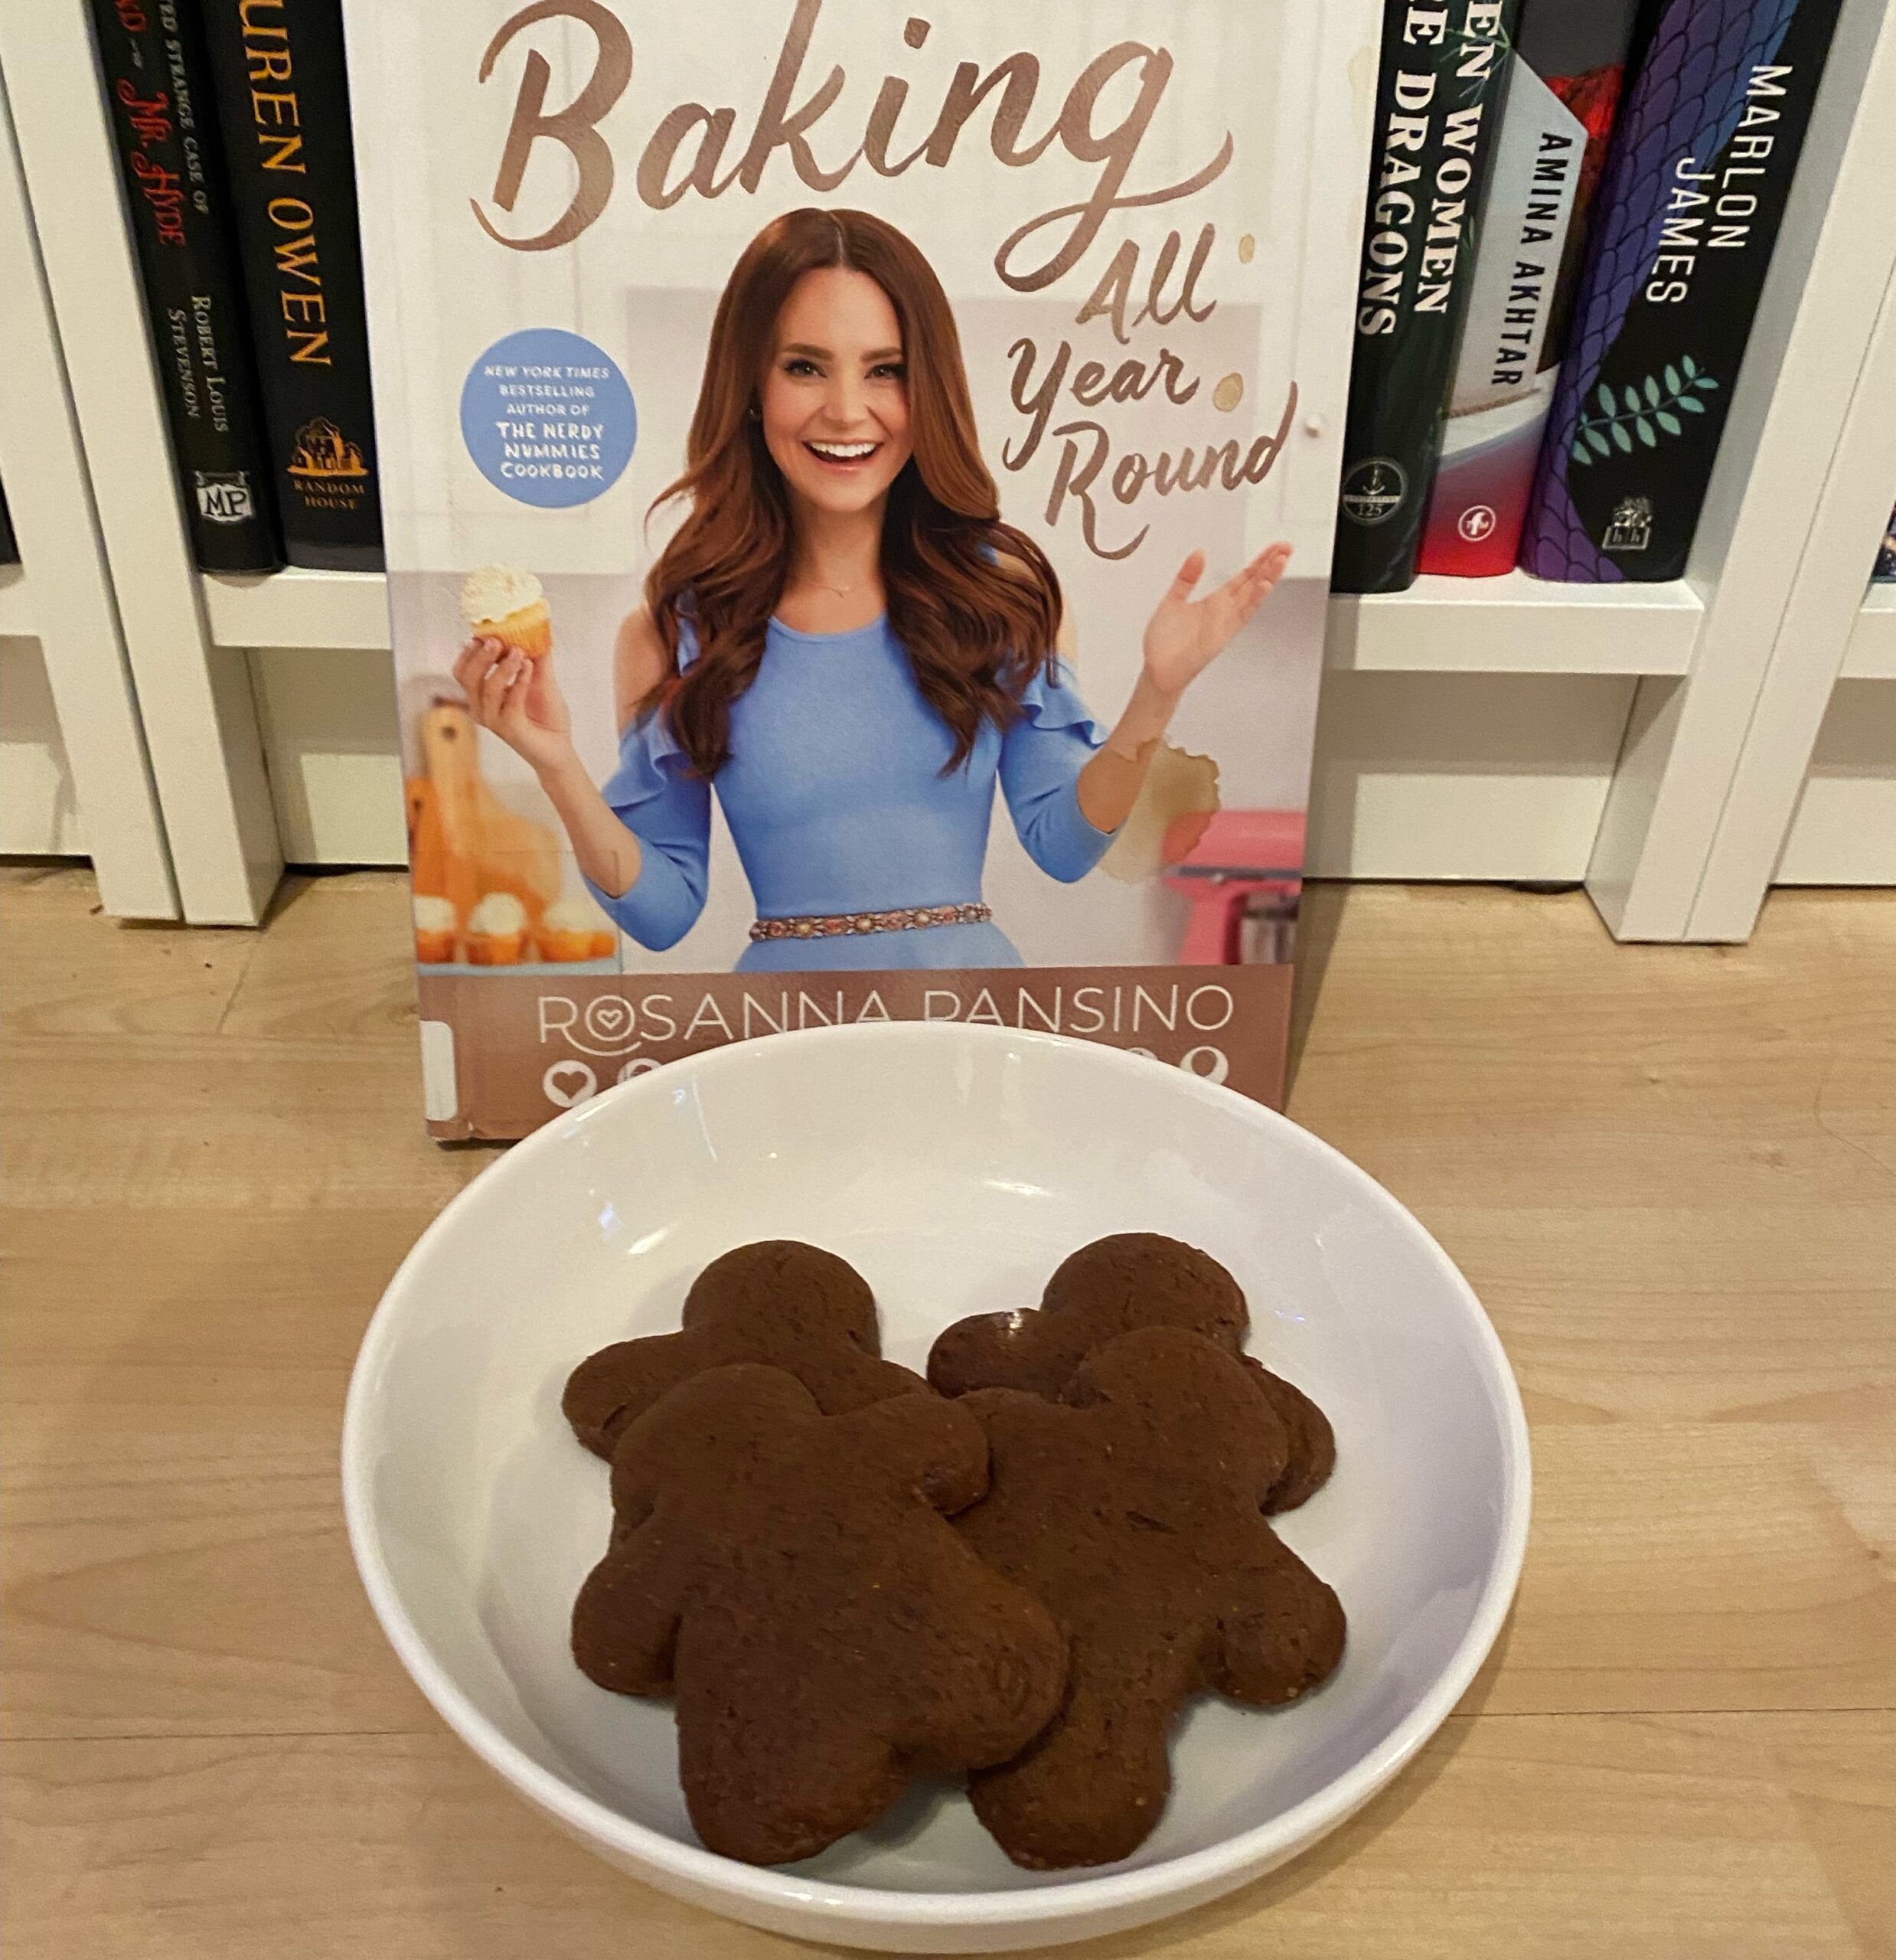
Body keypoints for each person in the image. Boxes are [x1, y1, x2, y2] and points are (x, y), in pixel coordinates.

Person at [456, 207, 1292, 973]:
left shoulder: (999, 598)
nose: (848, 410)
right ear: (750, 387)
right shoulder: (678, 631)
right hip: (785, 1050)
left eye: (885, 369)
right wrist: (557, 764)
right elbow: (663, 913)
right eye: (805, 367)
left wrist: (1156, 694)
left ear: (927, 386)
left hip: (970, 1030)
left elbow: (1064, 847)